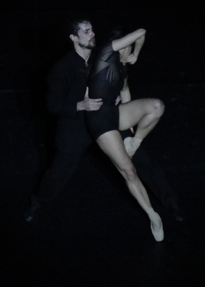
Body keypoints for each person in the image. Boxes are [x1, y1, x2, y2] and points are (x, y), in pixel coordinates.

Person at [24, 19, 181, 239]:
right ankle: (37, 204)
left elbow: (121, 84)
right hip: (76, 127)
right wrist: (80, 105)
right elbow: (51, 104)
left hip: (107, 120)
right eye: (86, 31)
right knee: (58, 173)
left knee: (141, 160)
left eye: (92, 30)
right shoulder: (62, 67)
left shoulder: (103, 54)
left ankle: (170, 202)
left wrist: (120, 102)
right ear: (74, 38)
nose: (92, 33)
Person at [85, 27, 165, 241]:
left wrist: (130, 133)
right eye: (127, 46)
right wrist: (136, 54)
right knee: (129, 171)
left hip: (116, 113)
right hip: (99, 121)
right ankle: (153, 216)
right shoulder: (106, 54)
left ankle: (135, 143)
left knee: (157, 106)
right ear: (121, 46)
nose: (128, 50)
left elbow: (125, 92)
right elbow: (142, 32)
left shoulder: (122, 68)